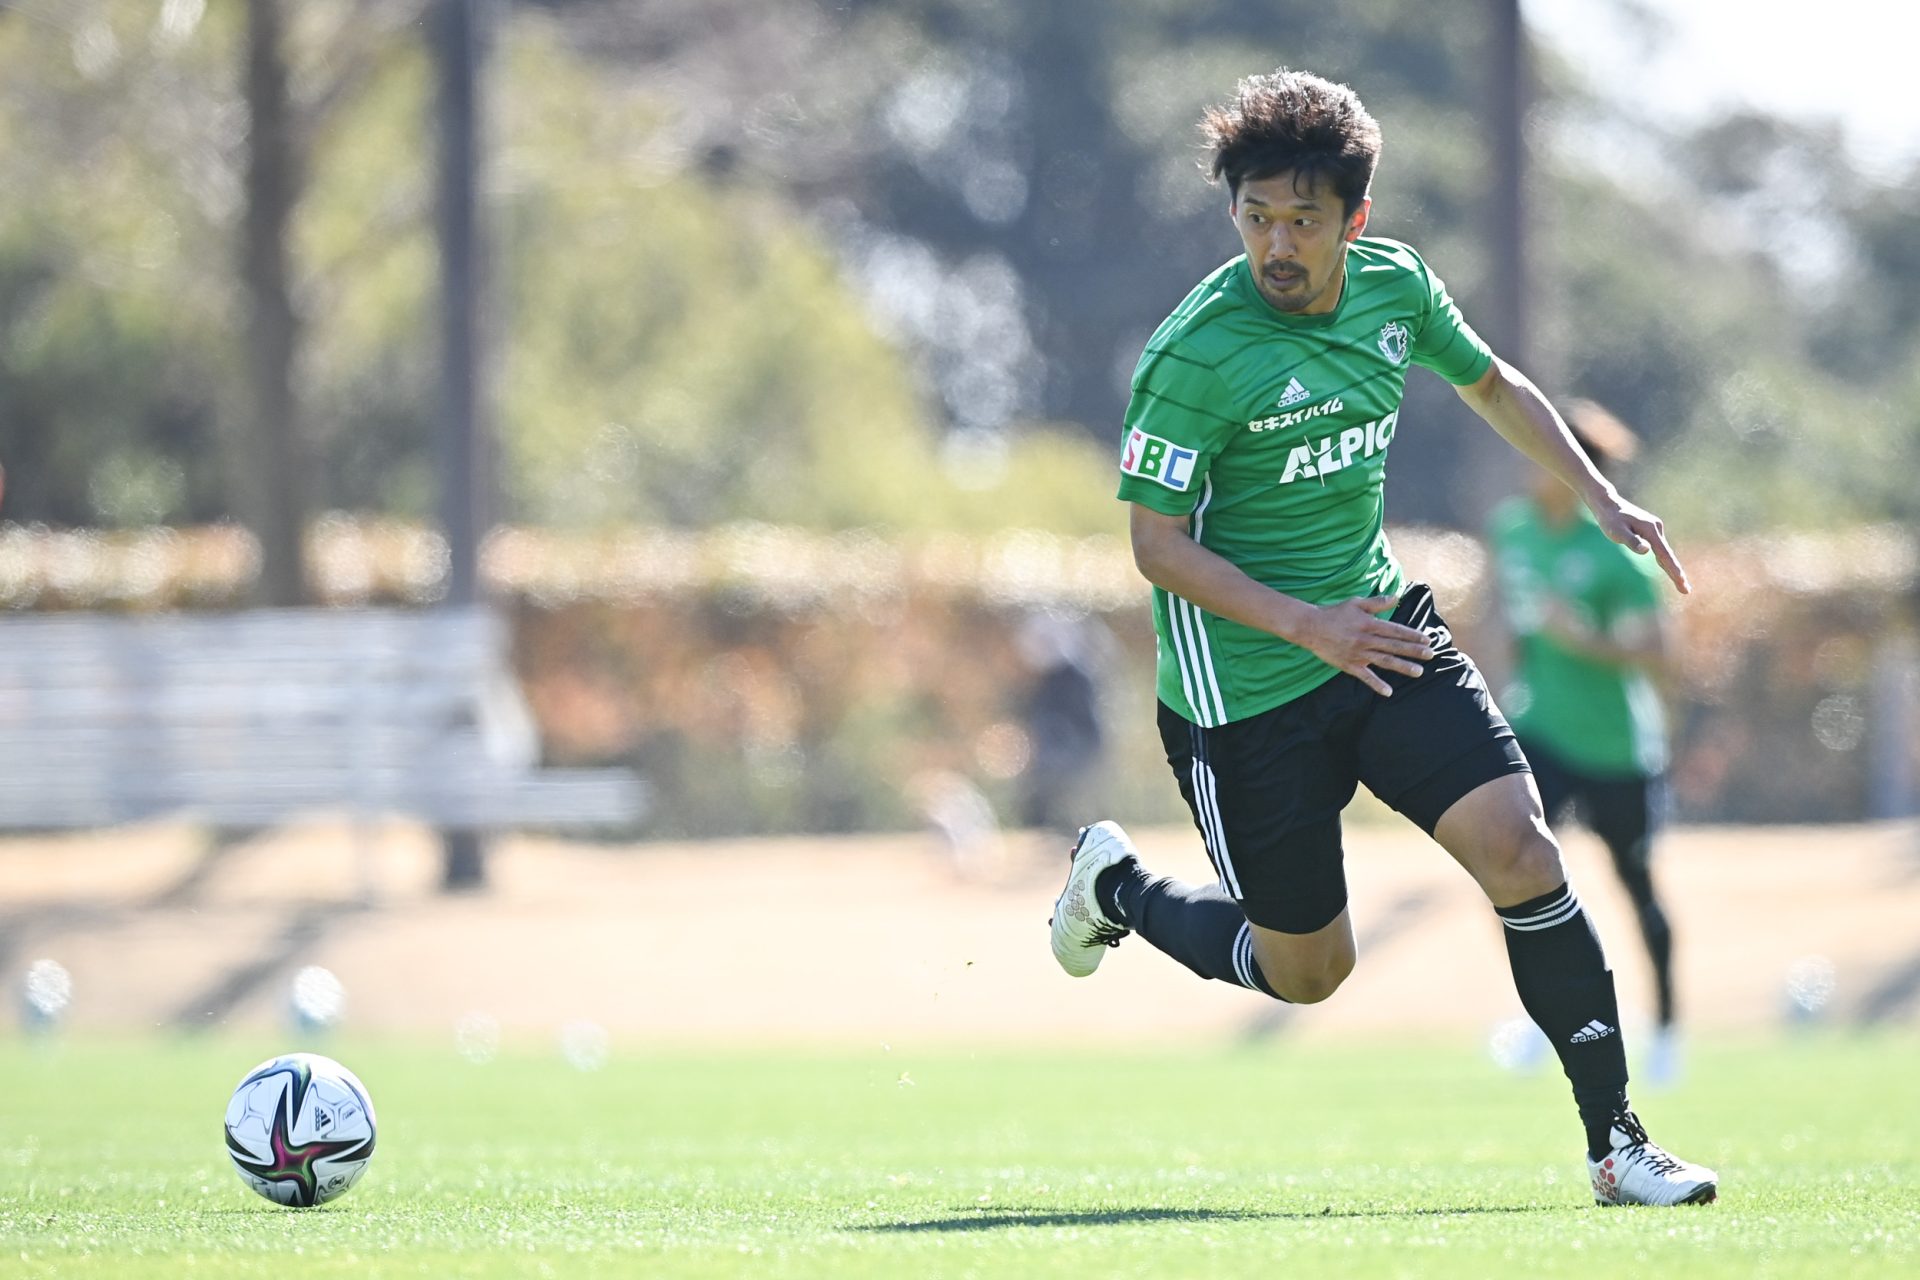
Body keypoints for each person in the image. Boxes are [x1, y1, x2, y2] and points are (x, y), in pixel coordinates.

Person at [1047, 69, 1716, 1207]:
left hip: (1382, 634)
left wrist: (1600, 494)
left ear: (1356, 219)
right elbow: (1157, 548)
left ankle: (1619, 1143)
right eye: (1256, 218)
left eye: (1302, 219)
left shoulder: (1396, 287)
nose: (1276, 245)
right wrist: (1309, 626)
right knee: (1309, 969)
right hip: (1245, 685)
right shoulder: (1193, 354)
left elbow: (1493, 384)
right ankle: (1120, 888)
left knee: (1524, 850)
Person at [1488, 402, 1683, 1084]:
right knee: (1514, 867)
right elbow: (1511, 622)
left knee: (1637, 888)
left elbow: (1658, 652)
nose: (1526, 463)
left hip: (1616, 749)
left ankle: (1665, 1032)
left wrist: (1586, 642)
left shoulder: (1619, 550)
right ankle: (1548, 1024)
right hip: (1540, 732)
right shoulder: (1512, 530)